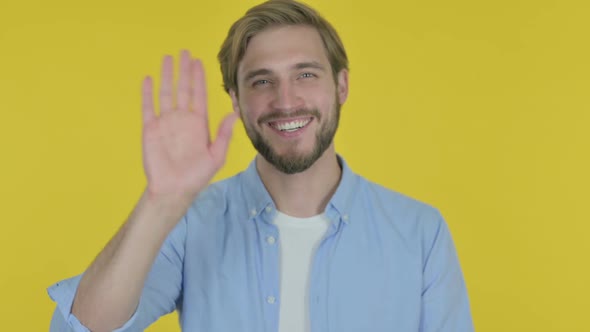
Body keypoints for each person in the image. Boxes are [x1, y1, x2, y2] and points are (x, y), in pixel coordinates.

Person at [47, 0, 474, 331]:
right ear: (235, 99)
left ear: (341, 85)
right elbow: (82, 328)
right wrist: (160, 202)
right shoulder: (193, 222)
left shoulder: (420, 233)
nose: (286, 101)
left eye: (305, 74)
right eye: (262, 80)